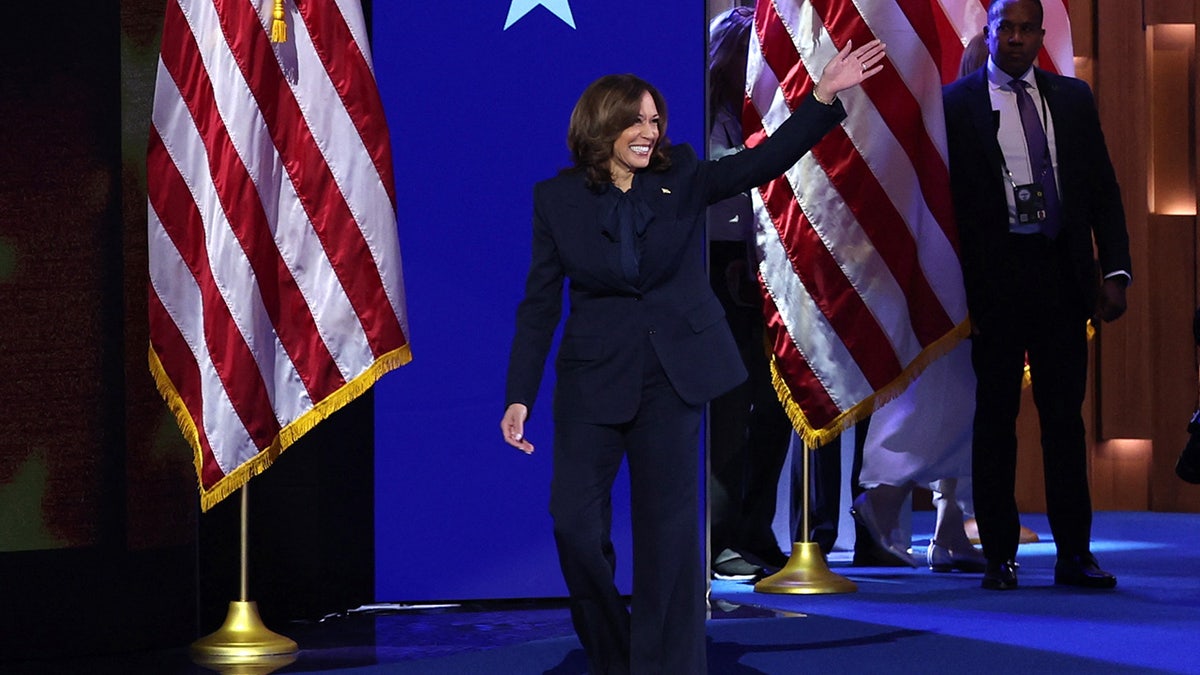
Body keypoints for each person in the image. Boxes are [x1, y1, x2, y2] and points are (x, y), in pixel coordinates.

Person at [501, 40, 887, 674]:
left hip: (672, 379)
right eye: (636, 121)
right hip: (592, 381)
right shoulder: (558, 199)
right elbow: (539, 304)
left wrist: (822, 98)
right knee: (574, 525)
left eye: (655, 120)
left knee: (669, 539)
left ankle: (667, 665)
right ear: (602, 126)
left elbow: (763, 163)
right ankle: (614, 652)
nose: (649, 133)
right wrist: (520, 394)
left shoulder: (681, 175)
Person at [942, 0, 1131, 591]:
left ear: (1041, 35)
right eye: (1007, 28)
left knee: (1063, 422)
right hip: (995, 282)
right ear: (989, 31)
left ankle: (1075, 554)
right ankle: (998, 556)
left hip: (1061, 277)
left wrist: (1117, 272)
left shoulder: (1072, 98)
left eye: (1027, 29)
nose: (1017, 38)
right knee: (995, 420)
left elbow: (1103, 189)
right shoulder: (954, 105)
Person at [705, 5, 793, 581]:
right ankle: (718, 536)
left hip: (769, 260)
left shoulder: (766, 117)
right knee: (730, 406)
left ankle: (754, 528)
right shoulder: (703, 121)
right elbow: (723, 181)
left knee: (777, 402)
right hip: (717, 266)